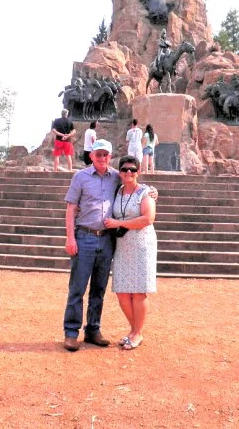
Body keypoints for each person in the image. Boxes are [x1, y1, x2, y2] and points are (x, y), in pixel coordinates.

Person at [61, 141, 159, 352]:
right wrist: (70, 238)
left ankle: (93, 330)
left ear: (110, 156)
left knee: (99, 289)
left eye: (106, 154)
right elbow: (71, 208)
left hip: (107, 239)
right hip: (85, 236)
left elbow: (136, 186)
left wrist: (152, 191)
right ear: (91, 155)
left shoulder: (116, 176)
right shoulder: (80, 177)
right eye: (98, 154)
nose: (102, 158)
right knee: (78, 288)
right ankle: (71, 333)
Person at [103, 156, 157, 350]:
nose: (129, 173)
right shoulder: (117, 191)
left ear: (138, 172)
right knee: (122, 291)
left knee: (139, 291)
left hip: (142, 245)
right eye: (125, 169)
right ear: (119, 172)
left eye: (133, 170)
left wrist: (118, 223)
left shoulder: (145, 192)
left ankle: (137, 333)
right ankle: (134, 330)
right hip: (123, 245)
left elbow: (148, 219)